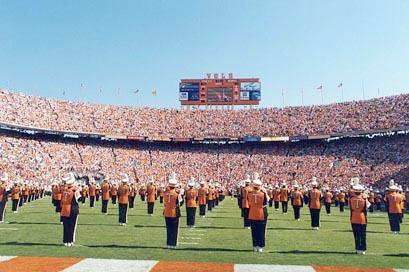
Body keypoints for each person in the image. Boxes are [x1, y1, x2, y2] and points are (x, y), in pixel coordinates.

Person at [248, 173, 268, 253]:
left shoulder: (249, 194)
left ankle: (255, 246)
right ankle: (260, 246)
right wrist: (265, 192)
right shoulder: (263, 194)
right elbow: (265, 203)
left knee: (254, 231)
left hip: (252, 213)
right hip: (261, 213)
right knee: (261, 231)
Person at [60, 173, 81, 247]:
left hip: (64, 209)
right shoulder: (74, 191)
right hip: (72, 209)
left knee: (66, 226)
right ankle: (70, 240)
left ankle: (65, 241)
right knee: (72, 226)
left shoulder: (64, 190)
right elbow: (80, 199)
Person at [349, 178, 368, 255]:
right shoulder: (364, 199)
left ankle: (357, 249)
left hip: (354, 217)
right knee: (363, 234)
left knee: (356, 234)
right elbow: (367, 207)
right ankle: (362, 249)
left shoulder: (351, 199)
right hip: (362, 218)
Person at [163, 172, 181, 249]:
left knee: (168, 229)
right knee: (174, 229)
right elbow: (180, 203)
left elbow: (164, 203)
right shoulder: (177, 194)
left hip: (167, 212)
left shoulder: (165, 193)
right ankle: (173, 244)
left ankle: (168, 243)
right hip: (174, 213)